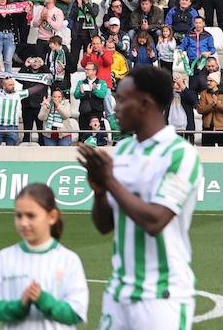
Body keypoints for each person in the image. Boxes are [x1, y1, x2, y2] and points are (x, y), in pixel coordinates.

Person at [79, 65, 202, 327]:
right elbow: (104, 226)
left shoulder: (180, 154)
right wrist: (100, 192)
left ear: (145, 104)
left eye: (122, 100)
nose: (115, 108)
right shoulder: (123, 150)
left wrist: (110, 181)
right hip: (119, 292)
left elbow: (155, 221)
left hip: (162, 297)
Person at [0, 183, 88, 327]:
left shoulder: (69, 260)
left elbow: (76, 313)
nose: (23, 223)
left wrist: (45, 301)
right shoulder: (3, 258)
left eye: (31, 216)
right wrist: (19, 306)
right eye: (18, 215)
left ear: (52, 216)